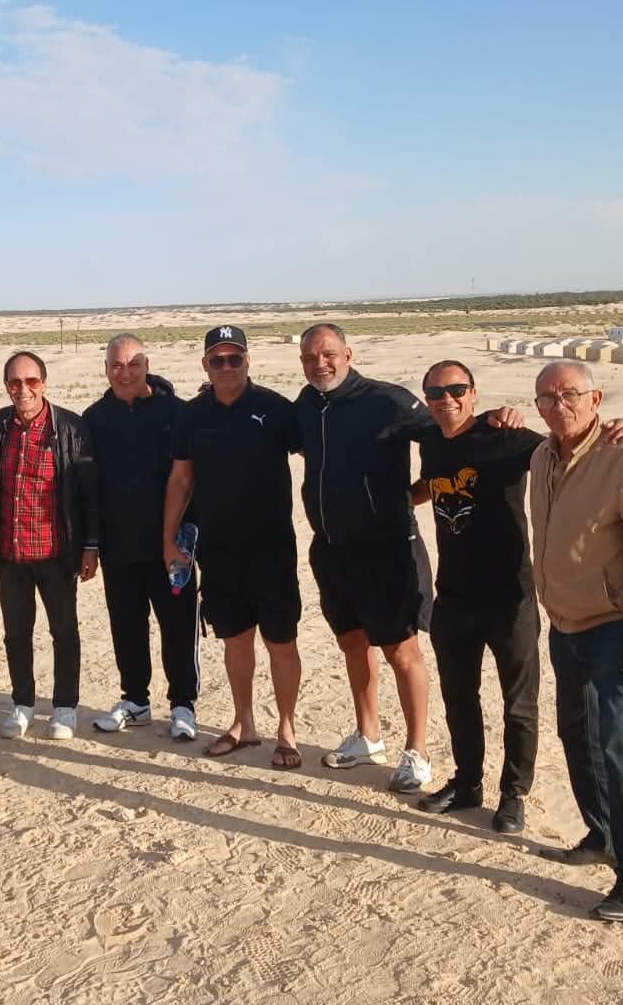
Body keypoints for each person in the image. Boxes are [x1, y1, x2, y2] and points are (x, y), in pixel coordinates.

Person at [530, 359, 623, 923]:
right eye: (546, 398)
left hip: (616, 626)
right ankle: (603, 836)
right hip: (564, 625)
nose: (558, 405)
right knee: (577, 736)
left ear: (596, 400)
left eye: (570, 394)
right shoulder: (542, 456)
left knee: (619, 745)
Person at [295, 323, 445, 792]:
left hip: (387, 549)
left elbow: (447, 439)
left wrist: (410, 497)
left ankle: (417, 751)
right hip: (331, 549)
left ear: (348, 353)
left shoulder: (387, 400)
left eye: (328, 354)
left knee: (401, 649)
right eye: (310, 357)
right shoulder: (306, 404)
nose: (320, 364)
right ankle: (368, 735)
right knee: (353, 642)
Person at [409, 360, 544, 832]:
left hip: (510, 596)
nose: (446, 399)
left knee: (519, 702)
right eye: (435, 392)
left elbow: (564, 451)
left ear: (473, 392)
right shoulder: (430, 441)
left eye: (456, 389)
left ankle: (514, 794)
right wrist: (396, 499)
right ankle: (467, 783)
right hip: (454, 596)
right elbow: (430, 485)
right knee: (459, 696)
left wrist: (612, 433)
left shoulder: (505, 437)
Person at [163, 325, 305, 769]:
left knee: (280, 640)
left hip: (272, 547)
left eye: (235, 358)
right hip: (219, 548)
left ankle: (287, 729)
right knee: (235, 640)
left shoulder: (275, 408)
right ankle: (244, 723)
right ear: (205, 364)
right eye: (217, 359)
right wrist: (168, 539)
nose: (226, 366)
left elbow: (320, 454)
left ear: (247, 361)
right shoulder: (191, 415)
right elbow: (181, 478)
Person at [0, 350, 100, 741]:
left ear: (43, 383)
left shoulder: (70, 427)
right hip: (11, 552)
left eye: (31, 381)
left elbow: (88, 493)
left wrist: (90, 546)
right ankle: (23, 704)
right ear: (6, 386)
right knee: (16, 633)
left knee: (64, 631)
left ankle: (65, 707)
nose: (23, 390)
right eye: (15, 382)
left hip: (56, 553)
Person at [83, 334, 199, 741]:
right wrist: (91, 545)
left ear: (147, 366)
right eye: (116, 365)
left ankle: (183, 705)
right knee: (127, 626)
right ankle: (135, 701)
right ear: (106, 370)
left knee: (179, 626)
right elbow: (88, 487)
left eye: (133, 364)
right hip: (119, 547)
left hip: (173, 548)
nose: (125, 372)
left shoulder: (178, 412)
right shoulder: (94, 418)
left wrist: (186, 538)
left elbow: (190, 478)